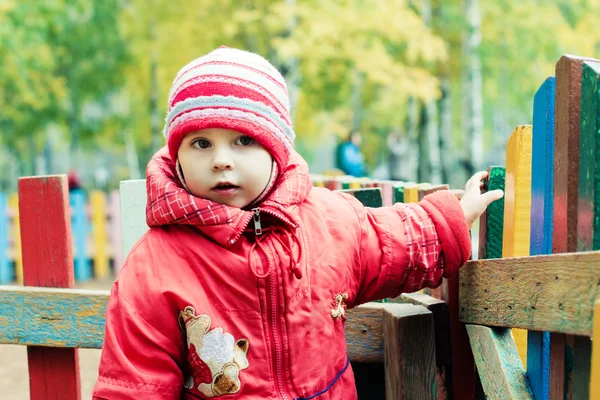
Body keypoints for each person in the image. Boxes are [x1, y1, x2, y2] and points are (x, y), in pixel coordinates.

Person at [92, 46, 503, 400]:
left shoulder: (326, 223)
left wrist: (454, 216)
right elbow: (135, 383)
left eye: (243, 140)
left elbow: (390, 242)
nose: (221, 159)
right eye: (201, 143)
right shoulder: (156, 266)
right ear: (177, 157)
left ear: (276, 151)